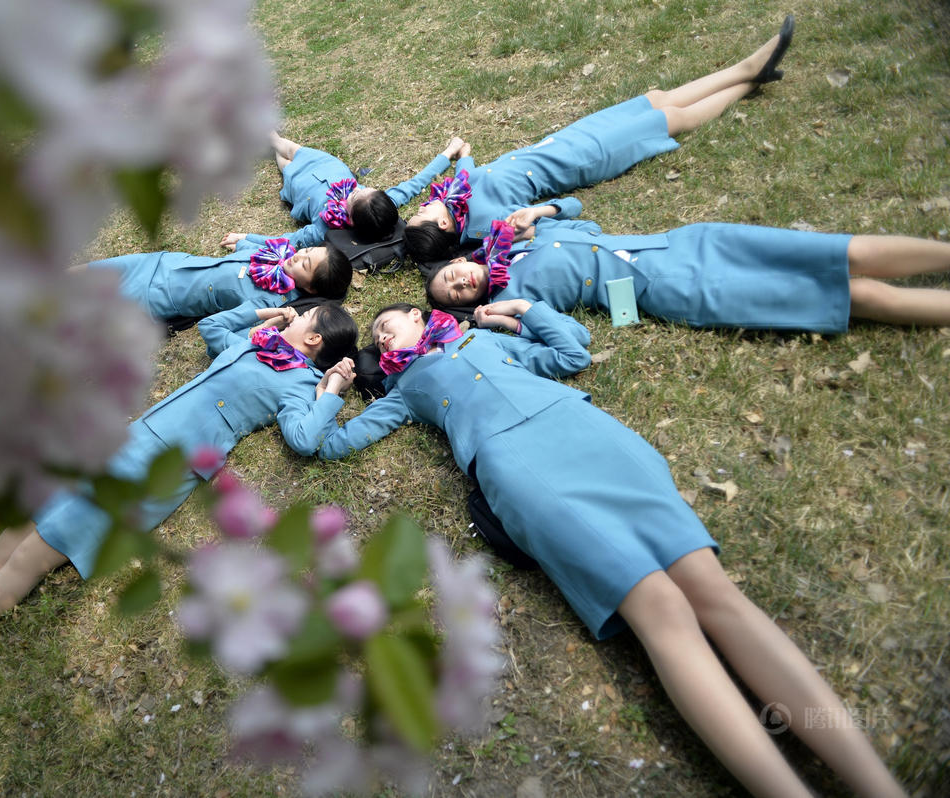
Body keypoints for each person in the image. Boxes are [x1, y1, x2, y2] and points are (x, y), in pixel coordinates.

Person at [311, 299, 904, 797]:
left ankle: (878, 784)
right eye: (379, 336)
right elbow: (331, 445)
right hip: (519, 470)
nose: (384, 333)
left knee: (713, 590)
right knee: (662, 612)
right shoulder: (404, 387)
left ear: (421, 315)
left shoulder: (478, 338)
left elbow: (572, 353)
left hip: (588, 434)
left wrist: (524, 311)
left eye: (391, 322)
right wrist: (335, 386)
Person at [0, 300, 358, 687]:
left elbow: (305, 439)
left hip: (151, 471)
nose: (293, 311)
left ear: (313, 339)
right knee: (7, 541)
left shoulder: (295, 384)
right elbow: (215, 328)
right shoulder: (256, 345)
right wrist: (264, 315)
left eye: (302, 314)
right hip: (125, 443)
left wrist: (331, 390)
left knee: (27, 561)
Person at [403, 16, 796, 263]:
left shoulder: (456, 196)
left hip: (561, 142)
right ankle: (749, 77)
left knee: (655, 101)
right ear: (443, 225)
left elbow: (467, 176)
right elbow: (555, 217)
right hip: (583, 158)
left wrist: (464, 155)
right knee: (671, 119)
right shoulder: (485, 225)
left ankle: (749, 73)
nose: (421, 206)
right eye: (421, 213)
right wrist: (532, 223)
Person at [426, 215, 950, 331]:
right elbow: (557, 333)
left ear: (458, 261)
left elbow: (586, 219)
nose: (458, 284)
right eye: (453, 295)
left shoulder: (516, 245)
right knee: (845, 295)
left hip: (681, 243)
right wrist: (502, 319)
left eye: (450, 276)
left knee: (837, 254)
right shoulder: (513, 296)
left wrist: (538, 217)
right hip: (673, 287)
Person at [220, 133, 470, 251]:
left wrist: (246, 238)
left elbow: (289, 242)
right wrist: (449, 153)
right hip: (326, 164)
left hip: (299, 186)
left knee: (284, 164)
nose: (358, 190)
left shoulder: (324, 227)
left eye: (354, 198)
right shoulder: (385, 202)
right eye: (367, 189)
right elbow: (417, 182)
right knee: (286, 146)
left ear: (350, 218)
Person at [78, 239, 352, 325]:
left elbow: (237, 324)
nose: (299, 256)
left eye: (306, 264)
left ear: (312, 288)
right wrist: (244, 238)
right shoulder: (281, 253)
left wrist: (275, 321)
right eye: (307, 251)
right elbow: (269, 242)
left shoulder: (271, 301)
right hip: (167, 263)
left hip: (160, 296)